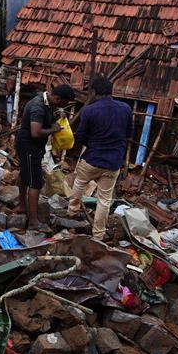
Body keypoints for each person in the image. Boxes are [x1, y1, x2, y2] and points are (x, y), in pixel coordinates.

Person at [68, 76, 133, 239]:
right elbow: (129, 134)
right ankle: (98, 234)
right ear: (111, 91)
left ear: (95, 93)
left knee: (79, 183)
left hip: (92, 158)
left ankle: (72, 212)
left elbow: (81, 136)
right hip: (113, 162)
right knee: (104, 199)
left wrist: (91, 143)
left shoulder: (90, 110)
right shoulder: (125, 108)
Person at [16, 84, 76, 230]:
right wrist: (53, 129)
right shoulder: (38, 106)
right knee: (35, 182)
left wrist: (56, 116)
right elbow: (35, 132)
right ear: (57, 98)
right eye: (62, 103)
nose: (62, 106)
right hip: (29, 146)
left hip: (30, 146)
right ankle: (33, 221)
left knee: (25, 174)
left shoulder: (46, 103)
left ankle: (22, 206)